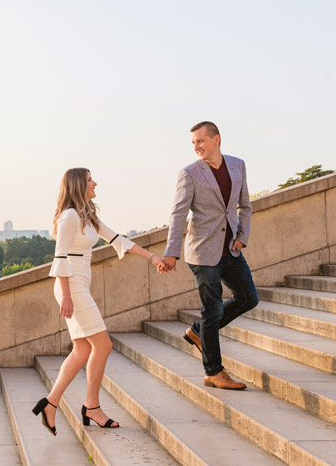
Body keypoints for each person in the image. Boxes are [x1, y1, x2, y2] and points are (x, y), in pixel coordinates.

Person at [34, 168, 169, 435]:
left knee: (82, 350)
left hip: (79, 285)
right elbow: (59, 257)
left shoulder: (87, 215)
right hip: (71, 286)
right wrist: (68, 296)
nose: (95, 182)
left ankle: (50, 403)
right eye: (89, 180)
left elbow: (118, 240)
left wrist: (153, 258)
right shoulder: (70, 216)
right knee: (103, 345)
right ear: (77, 185)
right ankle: (91, 406)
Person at [163, 121, 258, 390]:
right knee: (213, 309)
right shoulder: (190, 173)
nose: (196, 147)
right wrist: (171, 252)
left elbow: (245, 206)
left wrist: (242, 237)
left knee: (249, 298)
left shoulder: (237, 165)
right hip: (203, 251)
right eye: (193, 143)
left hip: (231, 248)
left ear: (216, 139)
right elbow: (178, 214)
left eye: (200, 141)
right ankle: (213, 371)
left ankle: (198, 330)